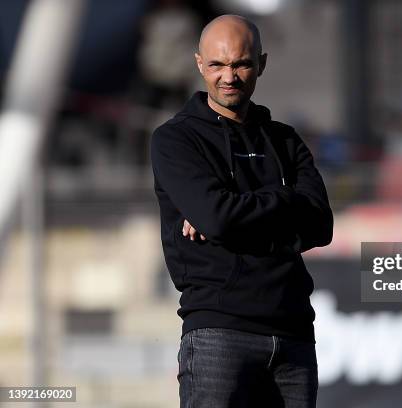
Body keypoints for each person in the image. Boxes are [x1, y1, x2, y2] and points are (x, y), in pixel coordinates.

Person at [150, 14, 333, 408]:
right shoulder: (175, 140)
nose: (228, 76)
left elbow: (320, 224)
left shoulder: (284, 140)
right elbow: (218, 216)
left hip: (294, 335)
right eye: (217, 65)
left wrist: (236, 208)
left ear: (261, 64)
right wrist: (284, 200)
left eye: (240, 64)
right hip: (219, 333)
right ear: (200, 63)